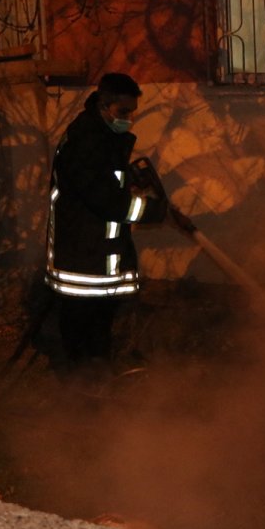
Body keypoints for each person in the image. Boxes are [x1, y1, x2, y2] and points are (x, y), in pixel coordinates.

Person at [44, 72, 167, 378]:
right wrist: (156, 211)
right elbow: (107, 201)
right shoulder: (86, 142)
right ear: (103, 104)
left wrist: (129, 179)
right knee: (83, 331)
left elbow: (108, 181)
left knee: (98, 328)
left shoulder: (100, 135)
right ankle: (83, 389)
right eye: (123, 112)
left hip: (95, 253)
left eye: (132, 112)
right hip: (83, 258)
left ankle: (96, 381)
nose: (129, 119)